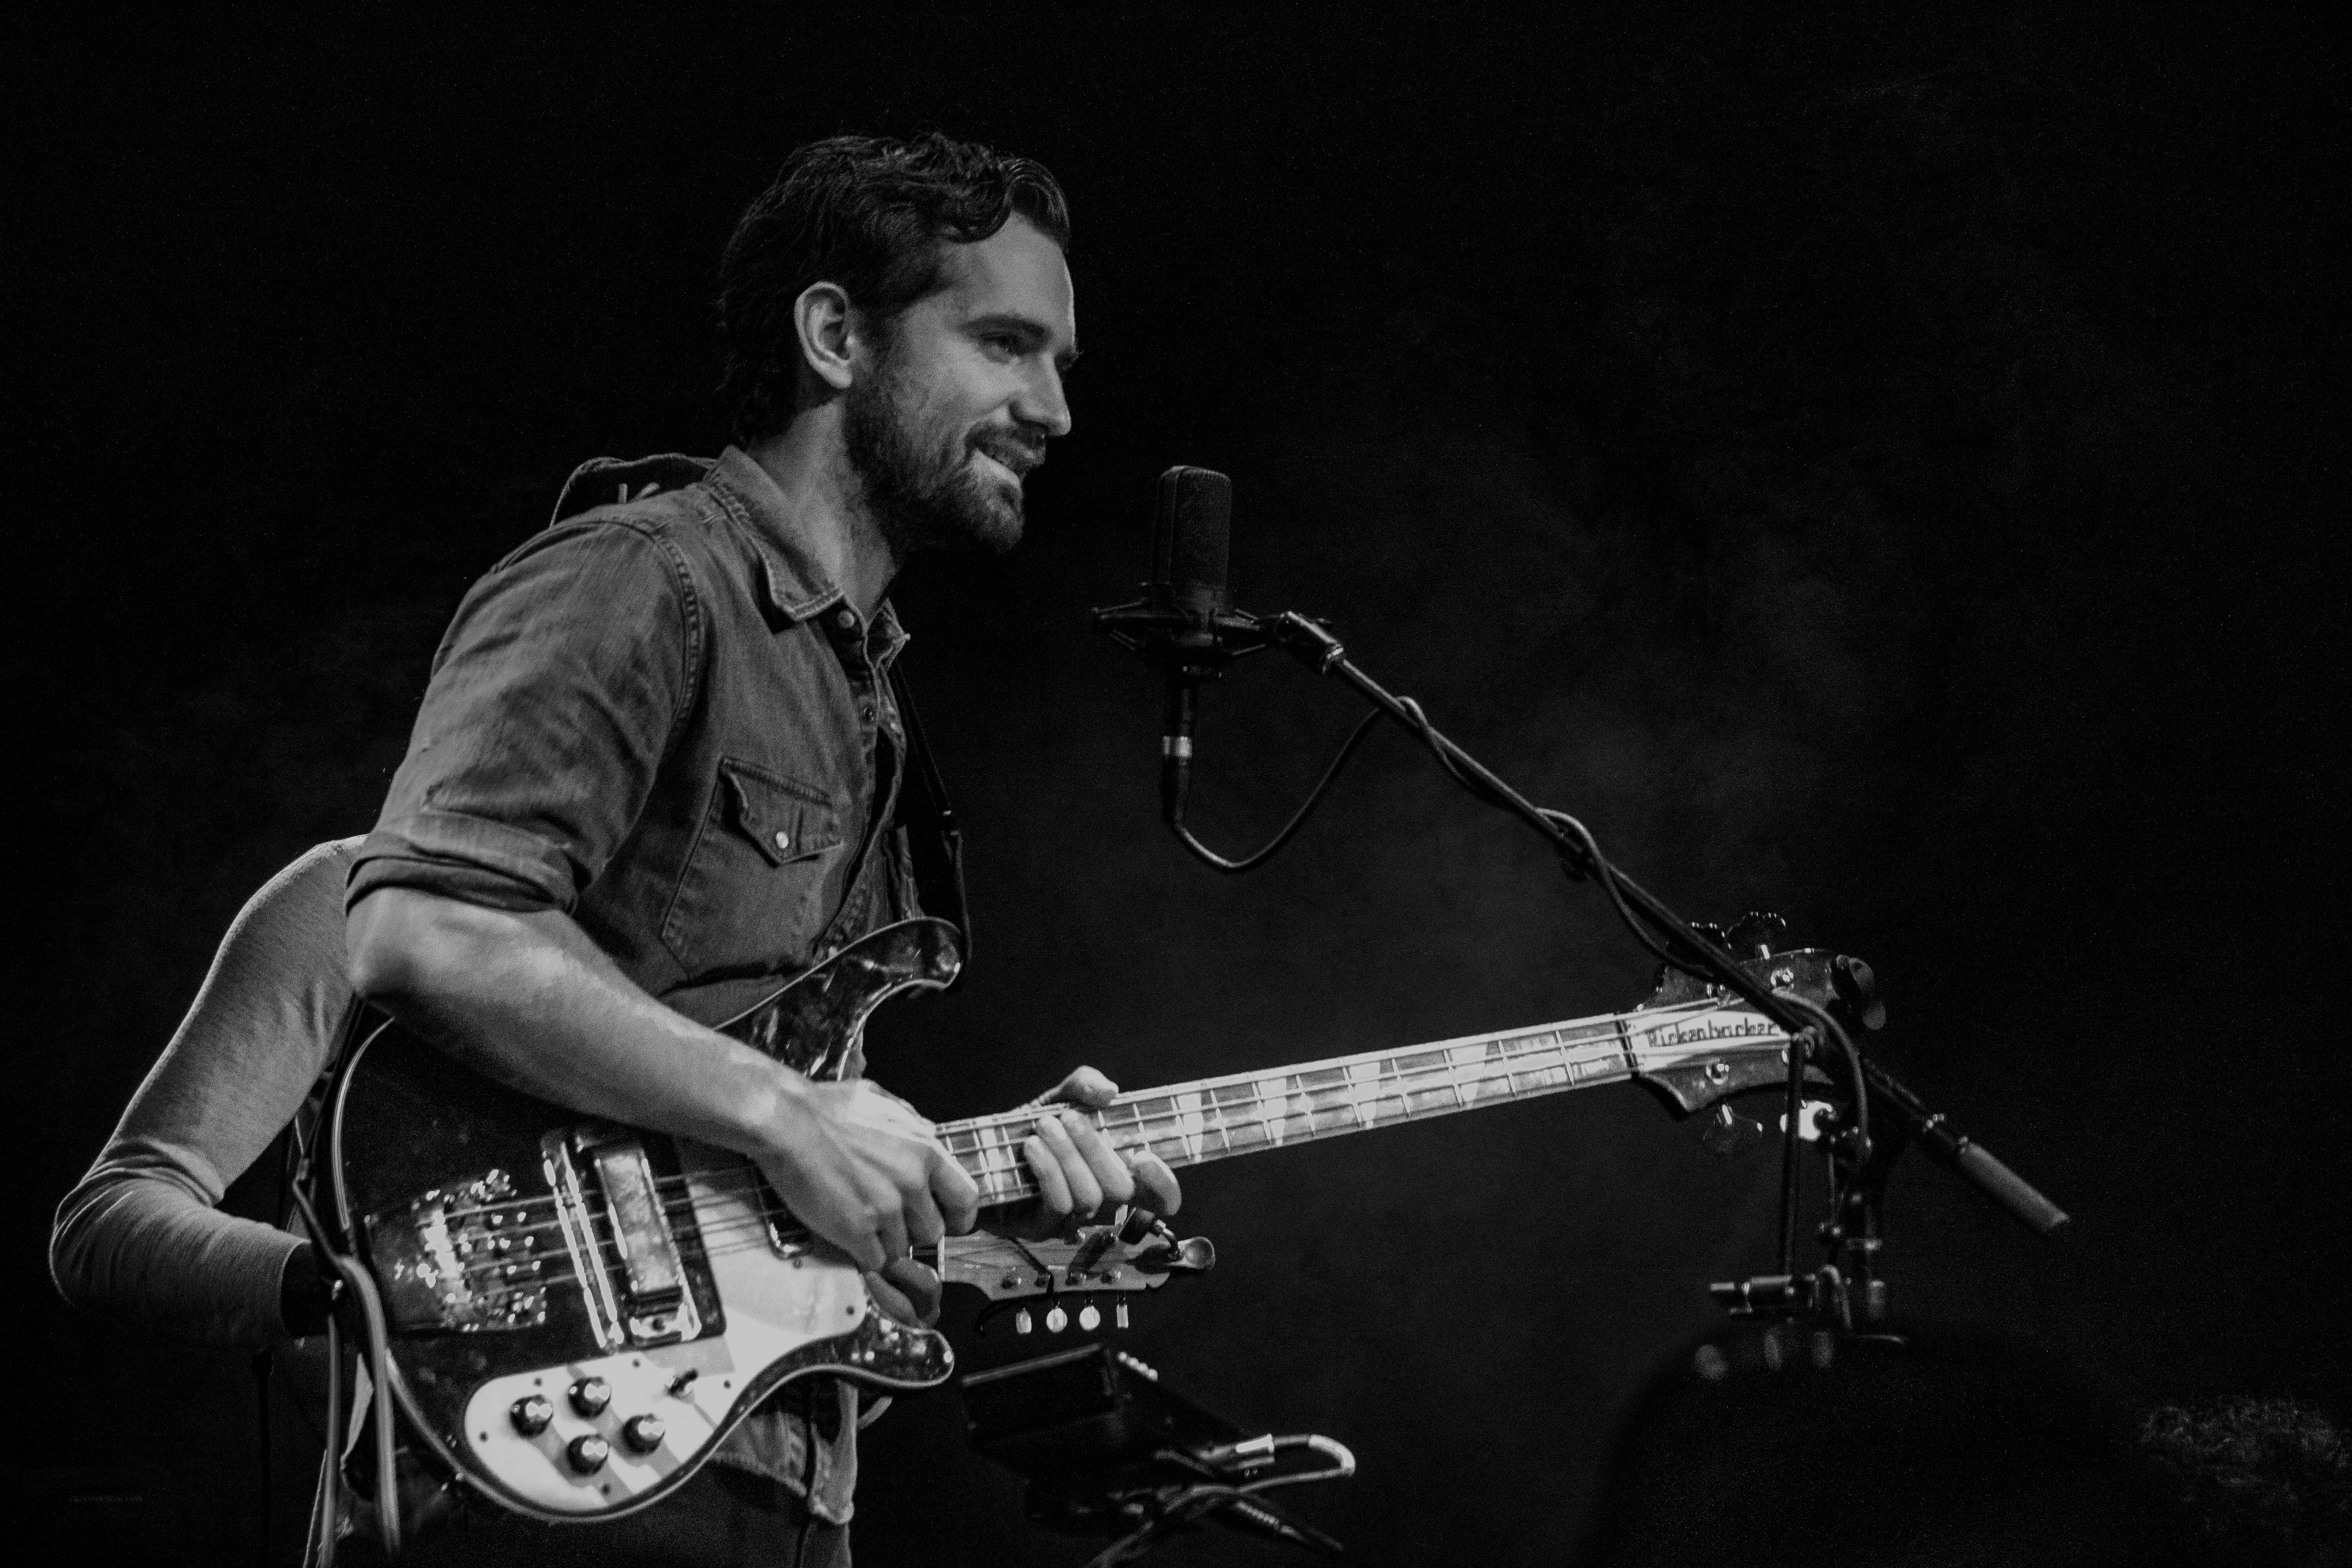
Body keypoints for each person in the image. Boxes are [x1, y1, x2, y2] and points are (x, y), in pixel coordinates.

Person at [54, 131, 1180, 1566]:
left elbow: (740, 1228)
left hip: (772, 1507)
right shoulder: (643, 583)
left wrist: (981, 1213)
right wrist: (377, 1292)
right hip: (520, 1508)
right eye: (1007, 344)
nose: (1056, 409)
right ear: (835, 336)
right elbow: (410, 950)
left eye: (1062, 362)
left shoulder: (862, 709)